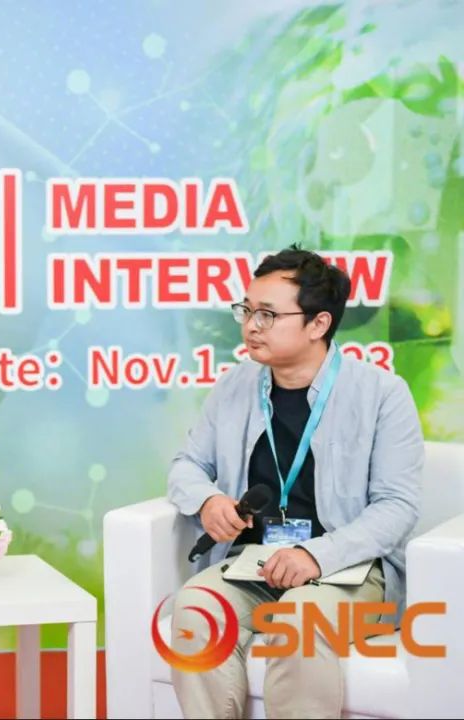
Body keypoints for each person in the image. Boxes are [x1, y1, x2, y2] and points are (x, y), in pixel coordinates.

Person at [167, 244, 424, 718]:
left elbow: (397, 507)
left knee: (297, 621)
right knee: (196, 608)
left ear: (318, 324)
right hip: (255, 566)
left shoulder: (382, 394)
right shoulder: (234, 386)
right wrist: (207, 501)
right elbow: (187, 464)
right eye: (247, 310)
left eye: (267, 314)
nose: (250, 326)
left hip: (351, 572)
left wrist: (314, 555)